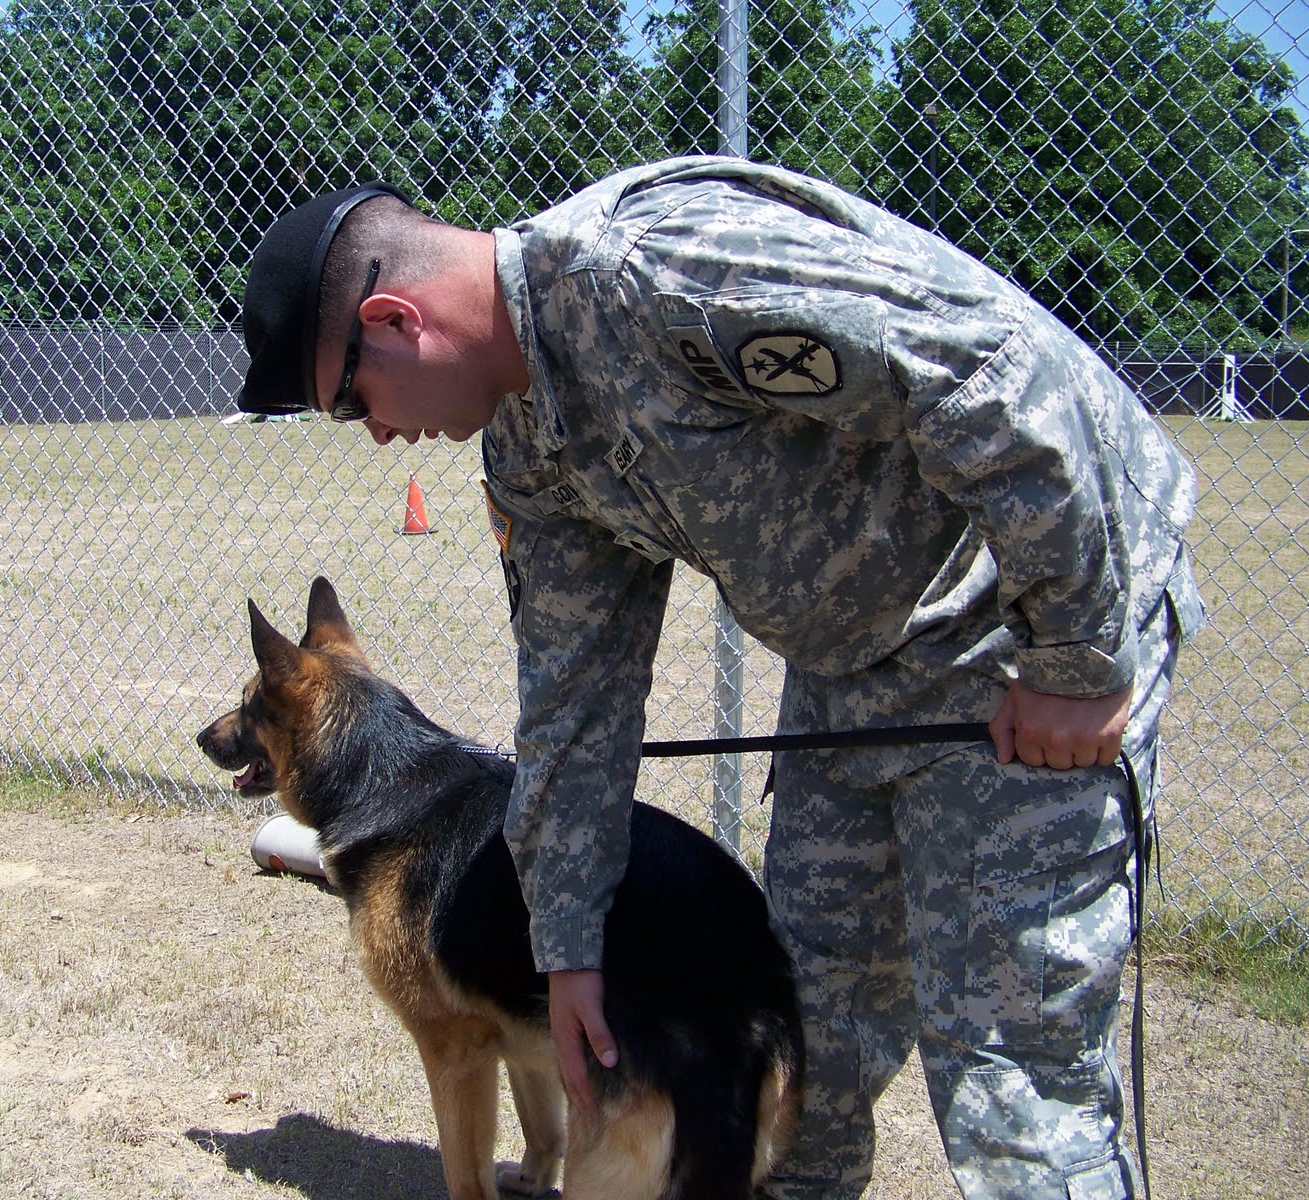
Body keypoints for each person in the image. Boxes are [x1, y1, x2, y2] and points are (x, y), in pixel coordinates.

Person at [233, 156, 1203, 1200]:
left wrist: (1074, 653)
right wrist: (566, 951)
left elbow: (998, 376)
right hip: (851, 665)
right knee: (800, 1048)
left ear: (394, 317)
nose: (377, 433)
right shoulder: (523, 443)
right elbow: (572, 702)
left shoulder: (659, 268)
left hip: (1018, 639)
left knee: (1011, 1077)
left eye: (349, 399)